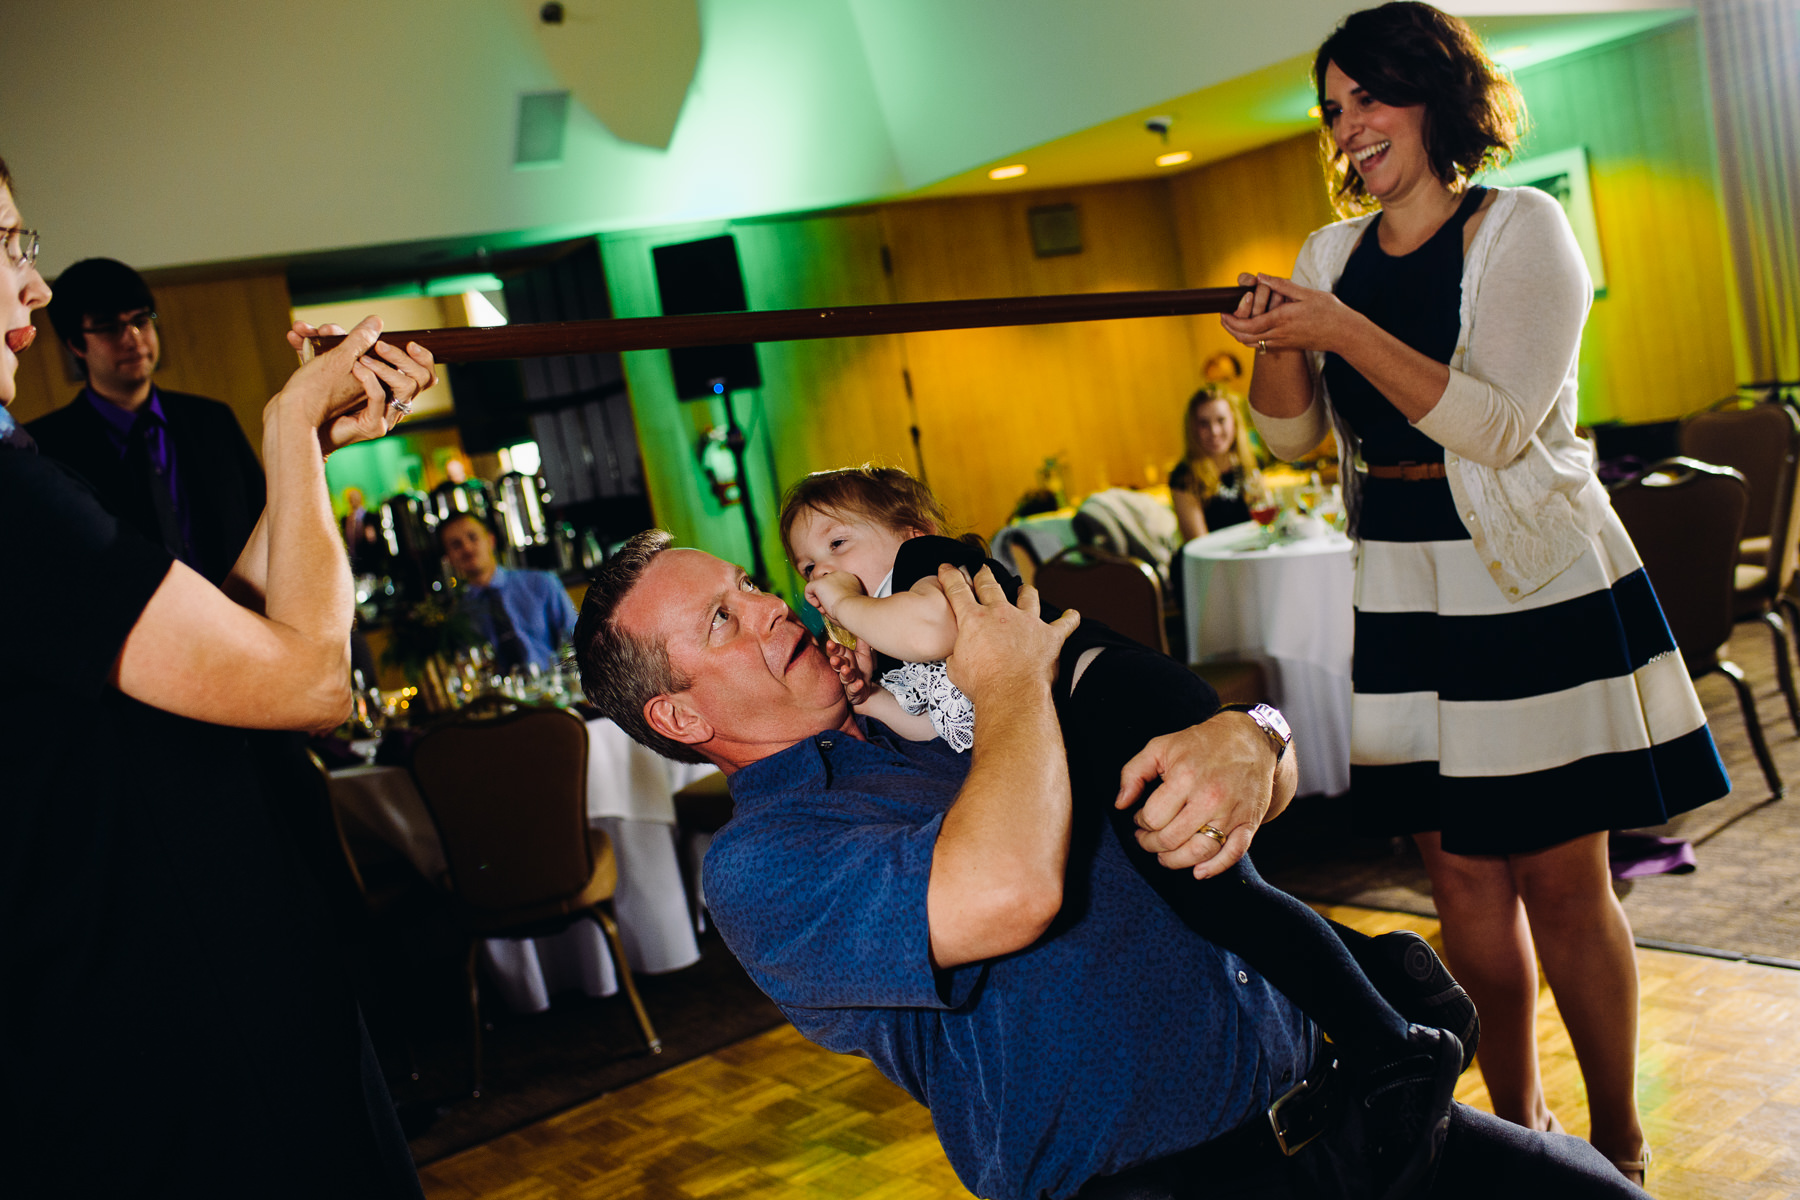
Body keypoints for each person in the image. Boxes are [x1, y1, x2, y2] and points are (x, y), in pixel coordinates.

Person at [572, 529, 1648, 1200]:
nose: (769, 606)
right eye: (724, 617)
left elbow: (1226, 777)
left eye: (752, 584)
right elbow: (1007, 889)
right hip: (1177, 1185)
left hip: (1363, 1107)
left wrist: (1259, 732)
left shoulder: (927, 703)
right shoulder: (766, 864)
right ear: (678, 712)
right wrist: (1002, 683)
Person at [1218, 3, 1728, 1184]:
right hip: (1402, 585)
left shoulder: (1525, 229)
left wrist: (1341, 325)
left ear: (1432, 95)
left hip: (1528, 581)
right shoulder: (1324, 253)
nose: (1349, 130)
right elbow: (1293, 439)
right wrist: (1283, 342)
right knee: (1458, 878)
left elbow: (1499, 427)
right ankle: (1524, 1132)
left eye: (1369, 99)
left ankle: (1622, 1140)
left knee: (1561, 878)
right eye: (1334, 109)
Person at [2, 153, 439, 1197]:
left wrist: (310, 464)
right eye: (7, 246)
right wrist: (287, 427)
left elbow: (220, 642)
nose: (35, 284)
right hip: (164, 1006)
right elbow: (307, 683)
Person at [779, 465, 1474, 1092]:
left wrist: (845, 604)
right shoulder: (894, 640)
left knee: (1216, 900)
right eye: (808, 565)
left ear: (911, 530)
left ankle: (1392, 1049)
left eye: (839, 545)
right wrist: (872, 700)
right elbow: (942, 718)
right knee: (1206, 899)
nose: (822, 572)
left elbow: (930, 631)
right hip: (1098, 733)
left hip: (1120, 698)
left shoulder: (931, 568)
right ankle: (1383, 971)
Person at [29, 257, 266, 584]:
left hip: (242, 614)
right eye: (110, 327)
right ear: (75, 344)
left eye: (141, 320)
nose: (133, 338)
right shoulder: (46, 446)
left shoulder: (212, 420)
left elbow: (264, 518)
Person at [439, 509, 576, 672]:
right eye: (456, 545)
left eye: (473, 537)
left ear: (491, 540)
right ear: (448, 558)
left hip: (556, 688)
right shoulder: (459, 615)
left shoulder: (542, 583)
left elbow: (577, 640)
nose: (467, 548)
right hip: (497, 696)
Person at [1168, 384, 1261, 539]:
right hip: (1210, 561)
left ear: (1235, 422)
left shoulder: (1251, 463)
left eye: (1221, 420)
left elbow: (1265, 524)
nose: (1214, 431)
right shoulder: (1183, 476)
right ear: (1192, 428)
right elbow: (1199, 545)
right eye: (1204, 423)